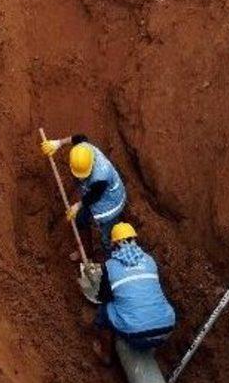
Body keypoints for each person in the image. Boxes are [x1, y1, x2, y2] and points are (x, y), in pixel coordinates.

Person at [92, 222, 176, 365]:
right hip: (167, 327)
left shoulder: (110, 266)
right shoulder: (150, 260)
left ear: (115, 244)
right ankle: (152, 352)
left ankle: (105, 355)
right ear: (134, 240)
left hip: (136, 333)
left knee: (103, 311)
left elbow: (102, 297)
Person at [41, 133, 126, 254]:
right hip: (98, 191)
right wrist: (58, 143)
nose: (80, 179)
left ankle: (110, 255)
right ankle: (87, 250)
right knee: (81, 220)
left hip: (110, 202)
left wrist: (77, 206)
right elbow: (79, 137)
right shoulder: (83, 149)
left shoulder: (101, 176)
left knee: (107, 235)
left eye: (84, 176)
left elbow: (94, 196)